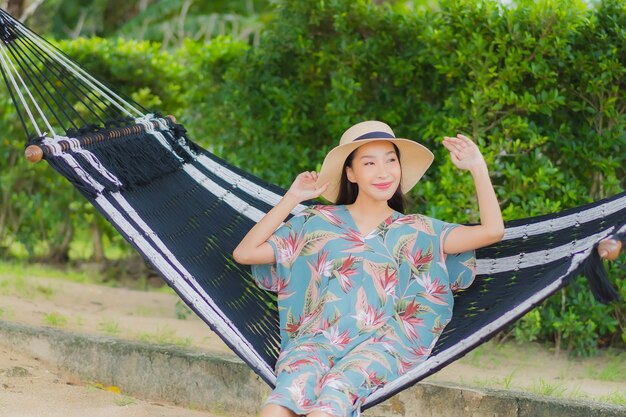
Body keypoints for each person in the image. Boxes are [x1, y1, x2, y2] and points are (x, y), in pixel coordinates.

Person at [233, 120, 504, 417]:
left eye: (391, 160)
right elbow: (245, 253)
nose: (384, 172)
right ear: (351, 172)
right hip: (317, 340)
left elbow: (492, 231)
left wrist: (478, 168)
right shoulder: (318, 222)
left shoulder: (418, 231)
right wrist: (293, 198)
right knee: (281, 400)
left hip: (382, 345)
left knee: (331, 400)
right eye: (370, 163)